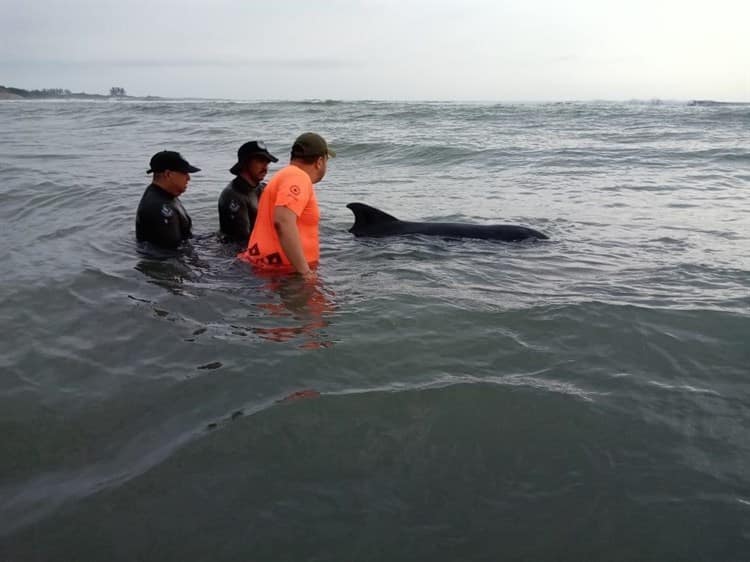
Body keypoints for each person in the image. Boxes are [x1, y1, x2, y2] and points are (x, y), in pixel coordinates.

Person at [238, 132, 335, 279]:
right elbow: (283, 221)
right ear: (320, 161)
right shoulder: (298, 177)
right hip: (282, 273)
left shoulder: (284, 175)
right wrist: (305, 273)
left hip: (268, 268)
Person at [136, 150, 200, 249]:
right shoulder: (158, 207)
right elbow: (173, 253)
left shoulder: (166, 195)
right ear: (168, 174)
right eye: (184, 173)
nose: (188, 178)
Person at [218, 140, 279, 243]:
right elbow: (241, 242)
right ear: (245, 163)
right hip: (235, 254)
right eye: (260, 161)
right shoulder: (234, 195)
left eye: (267, 162)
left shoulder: (262, 188)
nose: (265, 167)